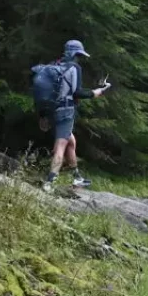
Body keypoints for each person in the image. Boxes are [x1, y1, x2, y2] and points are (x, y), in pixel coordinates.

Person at [41, 39, 109, 192]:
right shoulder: (74, 67)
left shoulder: (54, 65)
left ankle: (77, 177)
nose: (79, 58)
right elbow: (77, 92)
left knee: (71, 141)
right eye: (79, 55)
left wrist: (43, 115)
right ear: (75, 54)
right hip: (65, 111)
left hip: (51, 111)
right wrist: (94, 93)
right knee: (61, 146)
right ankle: (49, 183)